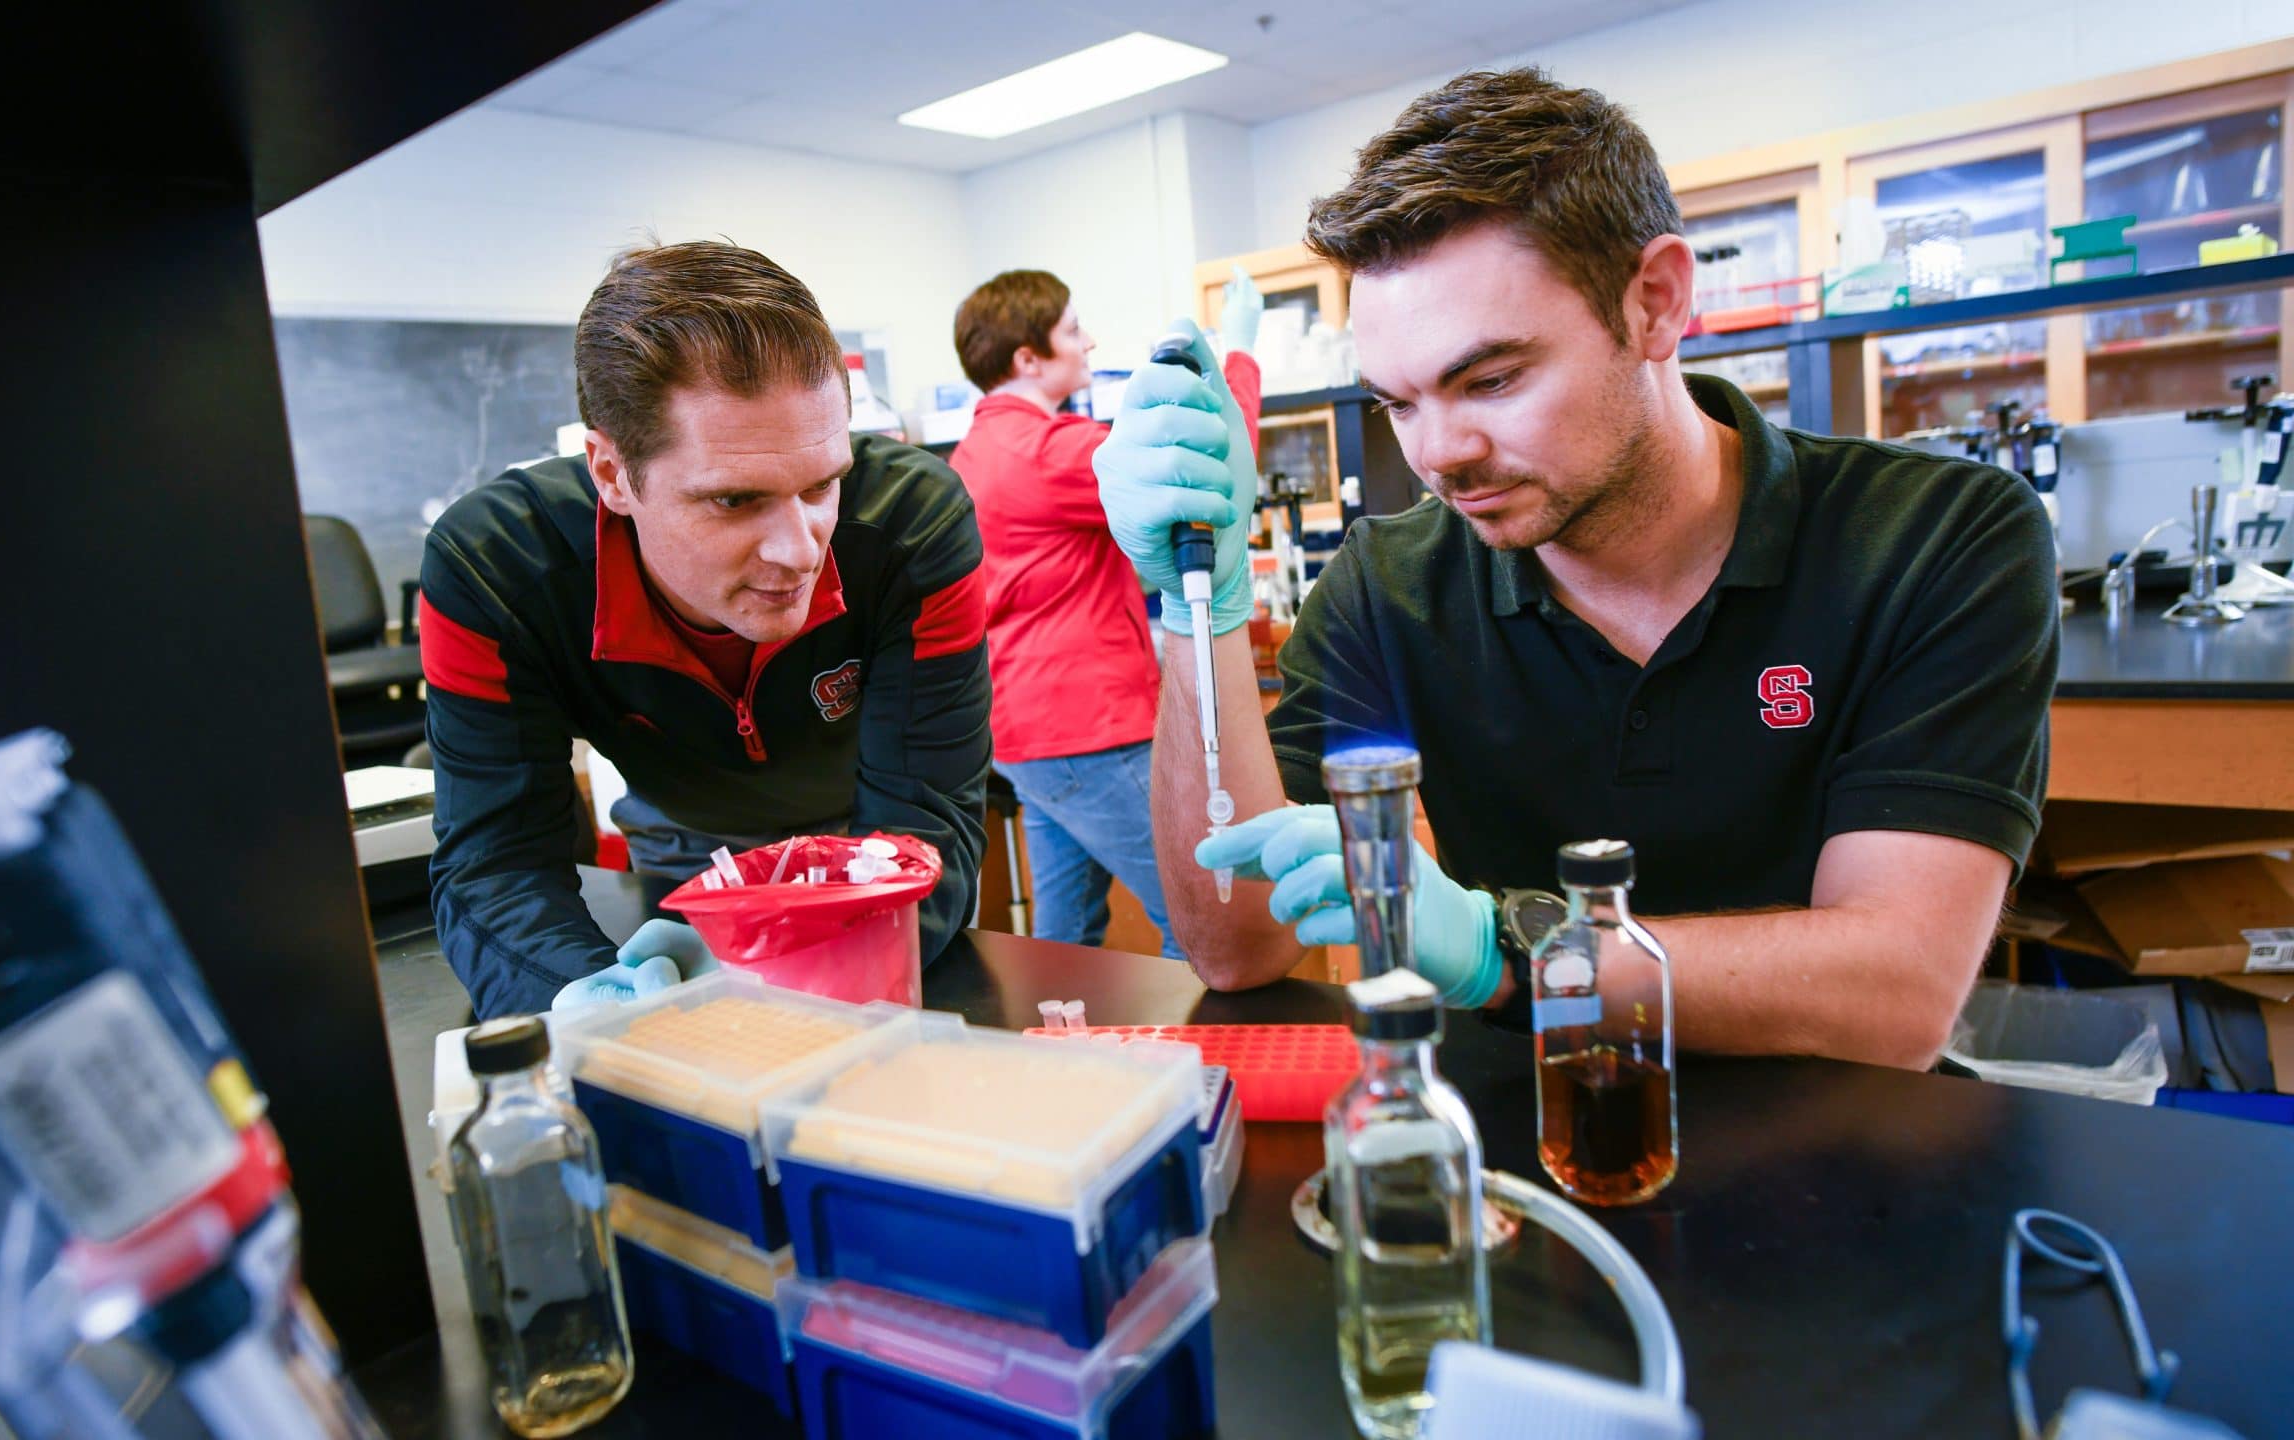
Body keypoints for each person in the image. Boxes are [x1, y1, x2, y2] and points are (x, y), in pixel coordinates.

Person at [1094, 69, 2057, 1069]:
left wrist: (1504, 953)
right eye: (1399, 403)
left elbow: (1896, 994)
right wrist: (1188, 613)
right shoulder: (1390, 589)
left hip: (1850, 1155)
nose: (1439, 454)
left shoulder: (1929, 537)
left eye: (1493, 379)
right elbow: (1235, 947)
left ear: (1656, 302)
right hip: (1534, 1136)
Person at [419, 241, 991, 1018]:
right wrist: (587, 1000)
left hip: (875, 843)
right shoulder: (494, 569)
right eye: (733, 500)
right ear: (614, 475)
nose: (800, 550)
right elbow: (495, 865)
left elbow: (926, 822)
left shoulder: (913, 526)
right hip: (692, 847)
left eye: (824, 484)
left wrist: (778, 970)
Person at [946, 269, 1263, 954]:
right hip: (1089, 729)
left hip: (1028, 730)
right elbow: (1213, 465)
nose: (1088, 341)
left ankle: (1067, 1060)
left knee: (1064, 942)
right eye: (1070, 330)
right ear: (1026, 357)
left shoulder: (973, 452)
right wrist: (1239, 354)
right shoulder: (1049, 452)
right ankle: (1216, 1066)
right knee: (1206, 920)